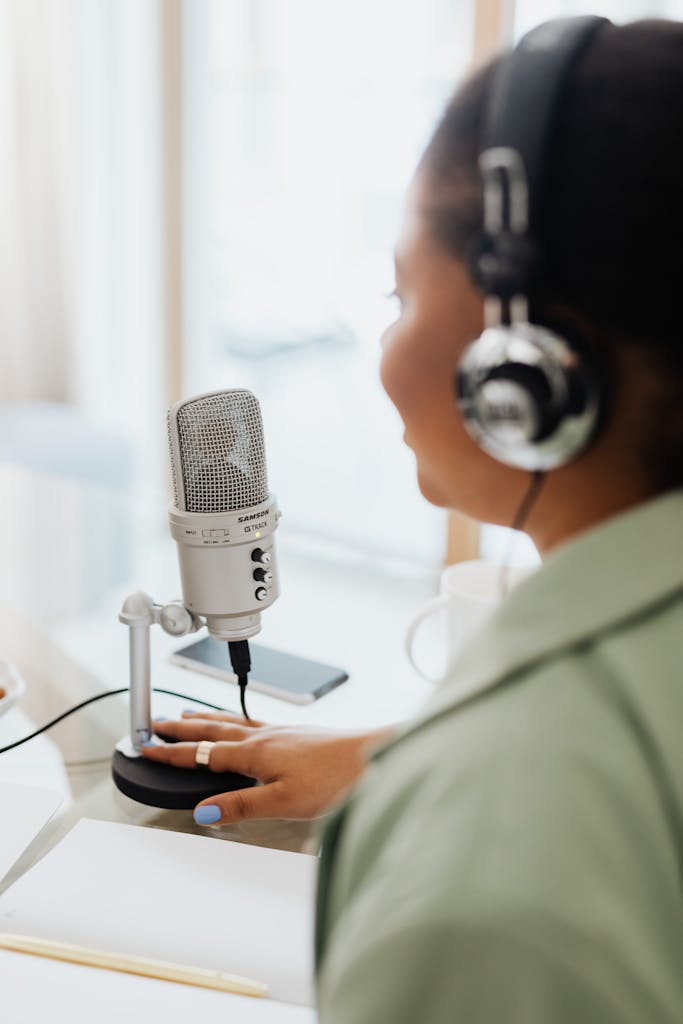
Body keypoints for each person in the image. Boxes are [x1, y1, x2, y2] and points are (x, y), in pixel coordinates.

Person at [142, 17, 683, 1022]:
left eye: (399, 292)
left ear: (518, 363)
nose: (383, 344)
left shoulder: (484, 891)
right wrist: (410, 749)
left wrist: (466, 775)